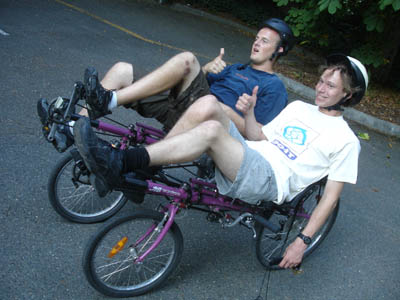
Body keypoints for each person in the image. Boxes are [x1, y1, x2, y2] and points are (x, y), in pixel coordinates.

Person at [73, 53, 368, 269]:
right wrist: (250, 113)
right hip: (251, 155)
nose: (320, 88)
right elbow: (258, 137)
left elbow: (329, 199)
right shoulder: (299, 107)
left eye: (330, 86)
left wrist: (300, 242)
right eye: (321, 81)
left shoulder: (345, 140)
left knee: (212, 131)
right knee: (209, 104)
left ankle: (122, 161)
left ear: (348, 94)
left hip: (270, 180)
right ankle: (142, 166)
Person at [37, 18, 294, 152]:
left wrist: (239, 111)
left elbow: (258, 135)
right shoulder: (235, 68)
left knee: (187, 60)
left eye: (265, 41)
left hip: (209, 122)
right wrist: (206, 69)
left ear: (279, 50)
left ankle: (109, 101)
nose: (256, 43)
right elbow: (194, 84)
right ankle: (70, 129)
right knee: (122, 70)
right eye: (256, 38)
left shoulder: (273, 87)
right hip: (181, 107)